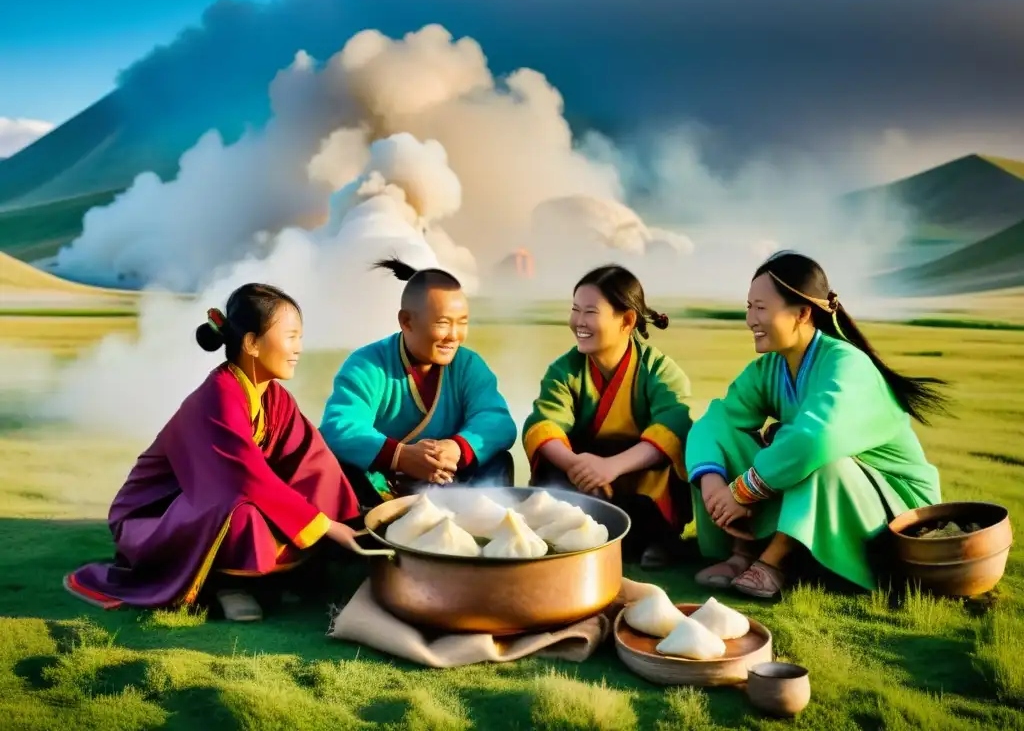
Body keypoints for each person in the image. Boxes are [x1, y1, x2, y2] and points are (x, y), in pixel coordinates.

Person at [64, 284, 362, 622]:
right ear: (251, 342)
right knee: (242, 511)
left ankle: (286, 574)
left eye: (300, 338)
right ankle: (224, 585)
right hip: (155, 514)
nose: (299, 349)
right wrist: (327, 527)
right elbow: (246, 479)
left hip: (208, 499)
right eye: (291, 337)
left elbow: (310, 457)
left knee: (307, 479)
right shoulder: (217, 397)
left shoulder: (274, 397)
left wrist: (351, 520)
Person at [686, 251, 948, 598]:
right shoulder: (770, 369)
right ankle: (742, 554)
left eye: (761, 308)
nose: (750, 319)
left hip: (895, 510)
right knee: (732, 435)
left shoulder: (847, 364)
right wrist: (714, 484)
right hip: (831, 495)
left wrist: (742, 492)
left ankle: (774, 563)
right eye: (749, 307)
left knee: (820, 460)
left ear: (802, 313)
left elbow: (816, 439)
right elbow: (717, 419)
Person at [522, 264, 695, 569]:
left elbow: (673, 427)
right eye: (575, 310)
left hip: (640, 482)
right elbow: (543, 425)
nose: (579, 322)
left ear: (627, 320)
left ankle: (656, 539)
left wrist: (611, 467)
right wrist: (578, 466)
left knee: (676, 460)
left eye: (590, 312)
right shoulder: (564, 370)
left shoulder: (660, 370)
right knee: (552, 465)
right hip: (584, 480)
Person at [320, 258, 518, 506]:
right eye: (443, 323)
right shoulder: (367, 364)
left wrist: (457, 448)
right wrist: (401, 457)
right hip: (384, 488)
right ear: (407, 321)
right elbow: (339, 427)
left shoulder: (468, 365)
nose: (454, 336)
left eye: (462, 322)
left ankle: (486, 526)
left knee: (497, 459)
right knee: (338, 463)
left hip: (450, 483)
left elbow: (497, 420)